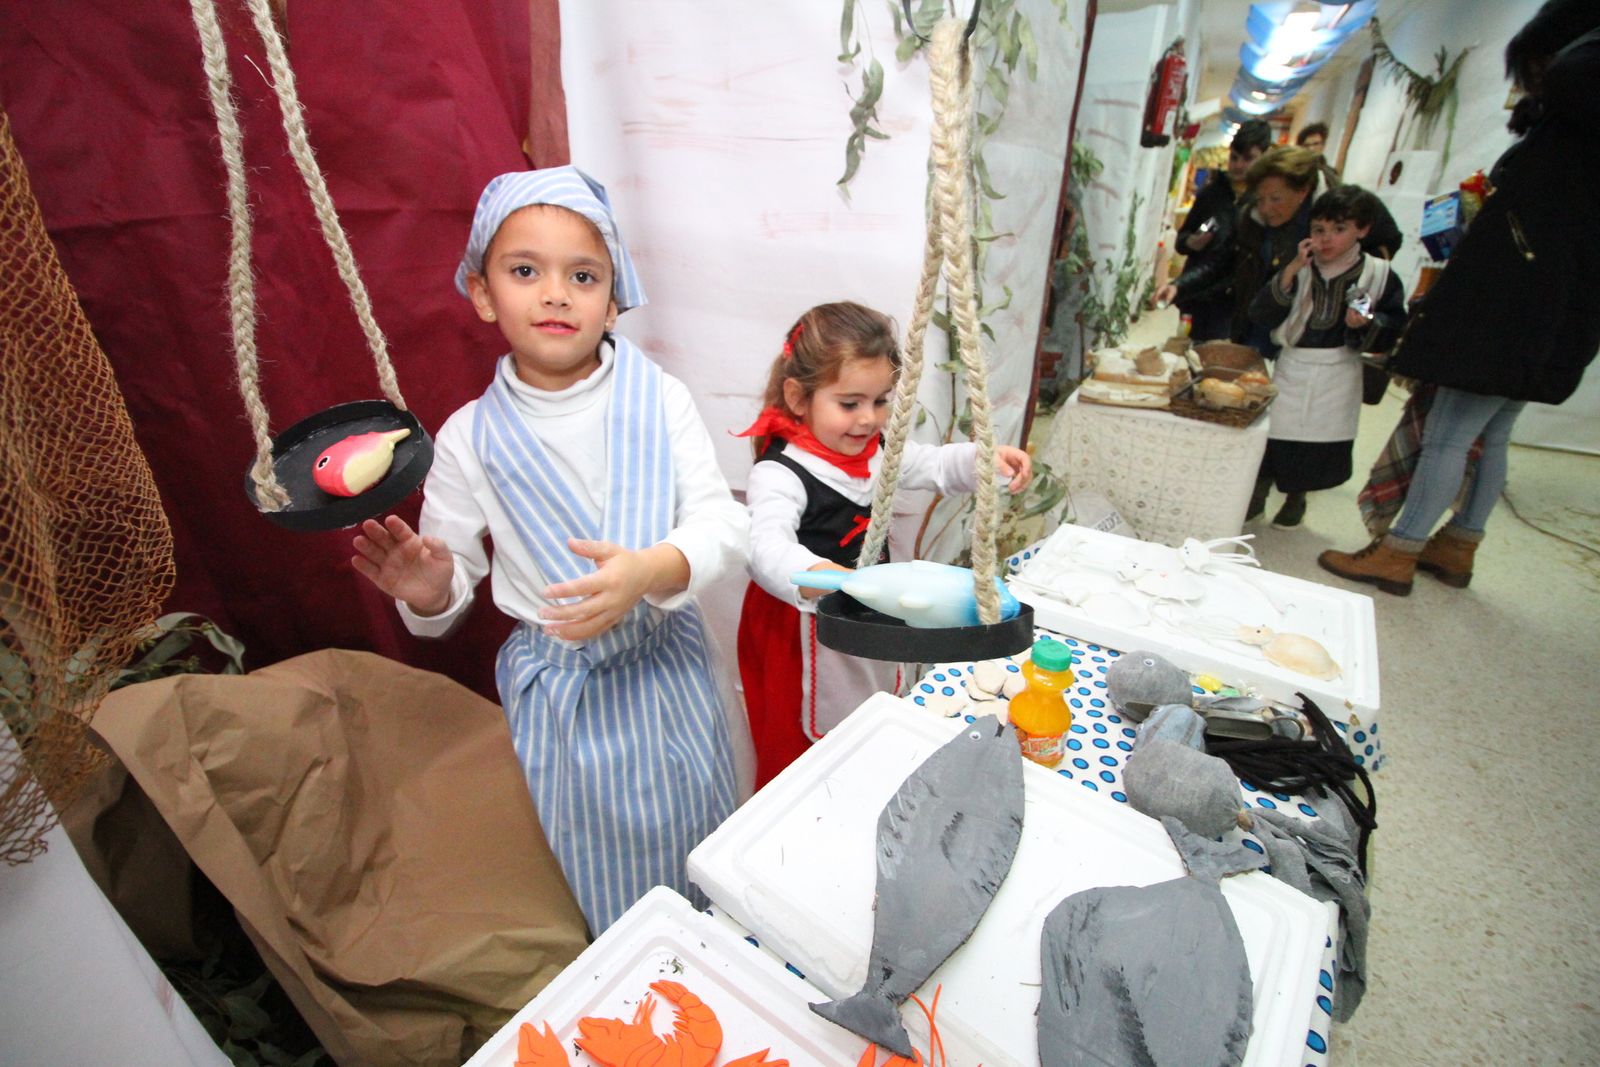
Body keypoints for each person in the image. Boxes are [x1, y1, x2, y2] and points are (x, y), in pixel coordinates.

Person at [348, 166, 750, 933]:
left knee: (704, 838)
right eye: (525, 270)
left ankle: (720, 957)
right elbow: (452, 581)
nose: (556, 293)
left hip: (667, 665)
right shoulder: (469, 437)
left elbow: (721, 525)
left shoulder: (658, 397)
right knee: (605, 876)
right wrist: (431, 589)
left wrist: (650, 570)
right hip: (565, 697)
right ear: (482, 291)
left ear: (614, 296)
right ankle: (634, 983)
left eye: (583, 275)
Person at [1319, 0, 1600, 595]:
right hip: (1554, 312)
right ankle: (1459, 543)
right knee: (1492, 431)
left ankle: (1400, 548)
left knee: (1450, 429)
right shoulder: (1577, 151)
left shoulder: (1570, 125)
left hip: (1510, 310)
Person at [735, 302, 1032, 787]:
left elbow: (933, 464)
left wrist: (985, 461)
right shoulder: (779, 474)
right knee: (800, 748)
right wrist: (827, 575)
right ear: (798, 397)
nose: (868, 419)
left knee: (867, 718)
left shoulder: (877, 454)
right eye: (849, 404)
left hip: (862, 618)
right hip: (800, 632)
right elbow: (764, 548)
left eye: (881, 401)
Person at [1246, 186, 1406, 528]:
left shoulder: (1378, 274)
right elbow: (1261, 314)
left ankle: (1297, 497)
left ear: (1361, 230)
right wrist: (1288, 274)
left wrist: (1369, 324)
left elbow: (1393, 323)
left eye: (1339, 229)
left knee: (1316, 441)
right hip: (1295, 363)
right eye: (1320, 230)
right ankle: (1258, 493)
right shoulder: (1300, 266)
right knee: (1274, 434)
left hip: (1338, 368)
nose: (1327, 239)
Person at [1155, 146, 1403, 352]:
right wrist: (1179, 286)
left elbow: (1382, 250)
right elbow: (1225, 260)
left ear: (1303, 191)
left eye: (1275, 199)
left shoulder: (1338, 214)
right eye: (1261, 199)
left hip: (1314, 343)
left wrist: (1356, 305)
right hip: (1259, 323)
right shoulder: (1251, 216)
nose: (1266, 208)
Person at [1167, 119, 1272, 341]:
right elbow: (1183, 239)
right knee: (1190, 353)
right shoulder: (1212, 193)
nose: (1239, 166)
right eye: (1234, 157)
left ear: (1265, 156)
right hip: (1198, 292)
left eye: (1248, 159)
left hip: (1235, 300)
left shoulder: (1264, 202)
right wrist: (1191, 243)